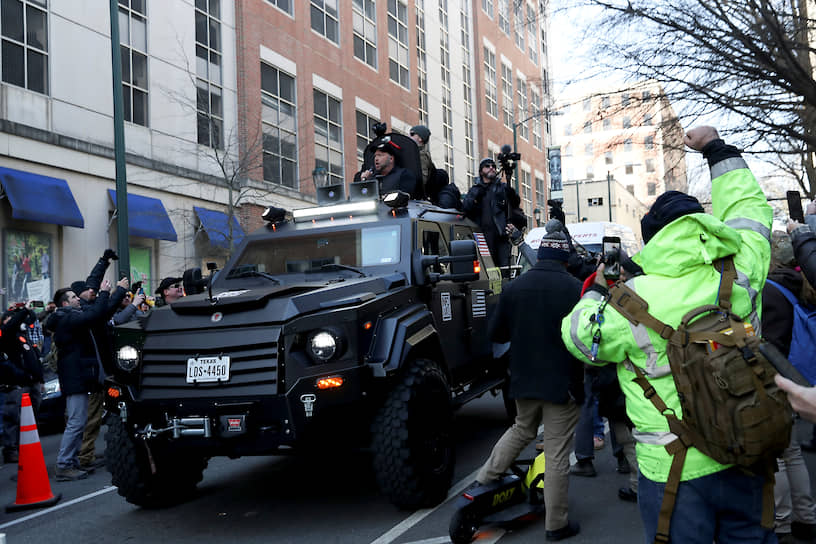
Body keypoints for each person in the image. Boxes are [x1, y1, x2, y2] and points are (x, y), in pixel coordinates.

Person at [562, 126, 776, 543]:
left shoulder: (630, 299)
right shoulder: (744, 267)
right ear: (704, 224)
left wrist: (600, 291)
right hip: (745, 448)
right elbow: (750, 209)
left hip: (673, 472)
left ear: (652, 239)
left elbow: (578, 337)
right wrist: (716, 149)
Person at [474, 232, 584, 541]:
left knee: (521, 429)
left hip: (523, 379)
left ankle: (485, 480)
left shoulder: (515, 287)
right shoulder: (575, 289)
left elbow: (496, 334)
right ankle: (556, 523)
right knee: (557, 451)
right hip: (561, 384)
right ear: (565, 258)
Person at [761, 230, 816, 544]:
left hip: (777, 378)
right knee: (791, 452)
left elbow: (768, 341)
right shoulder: (801, 282)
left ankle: (781, 524)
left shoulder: (769, 290)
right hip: (801, 376)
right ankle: (806, 518)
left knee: (777, 457)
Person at [49, 277, 127, 481]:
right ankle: (64, 464)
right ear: (65, 303)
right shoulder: (67, 319)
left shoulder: (71, 317)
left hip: (79, 378)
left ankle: (72, 462)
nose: (77, 299)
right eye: (74, 297)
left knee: (79, 420)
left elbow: (96, 314)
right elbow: (95, 315)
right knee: (76, 422)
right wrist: (104, 293)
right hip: (75, 379)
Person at [462, 157, 526, 270]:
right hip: (483, 238)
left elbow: (515, 205)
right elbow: (466, 208)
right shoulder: (475, 190)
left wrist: (511, 194)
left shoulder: (502, 188)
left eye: (493, 166)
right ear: (481, 171)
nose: (491, 168)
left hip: (501, 237)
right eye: (487, 166)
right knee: (488, 270)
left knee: (504, 270)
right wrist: (477, 197)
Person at [0, 306, 44, 464]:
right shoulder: (4, 336)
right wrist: (22, 311)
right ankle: (10, 450)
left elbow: (34, 358)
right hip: (16, 384)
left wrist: (41, 379)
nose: (14, 321)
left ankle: (26, 445)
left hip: (32, 382)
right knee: (12, 417)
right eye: (9, 318)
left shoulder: (22, 336)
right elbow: (10, 325)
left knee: (31, 417)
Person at [410, 125, 433, 195]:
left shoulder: (422, 155)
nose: (409, 136)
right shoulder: (412, 152)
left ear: (420, 138)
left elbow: (422, 179)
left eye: (412, 134)